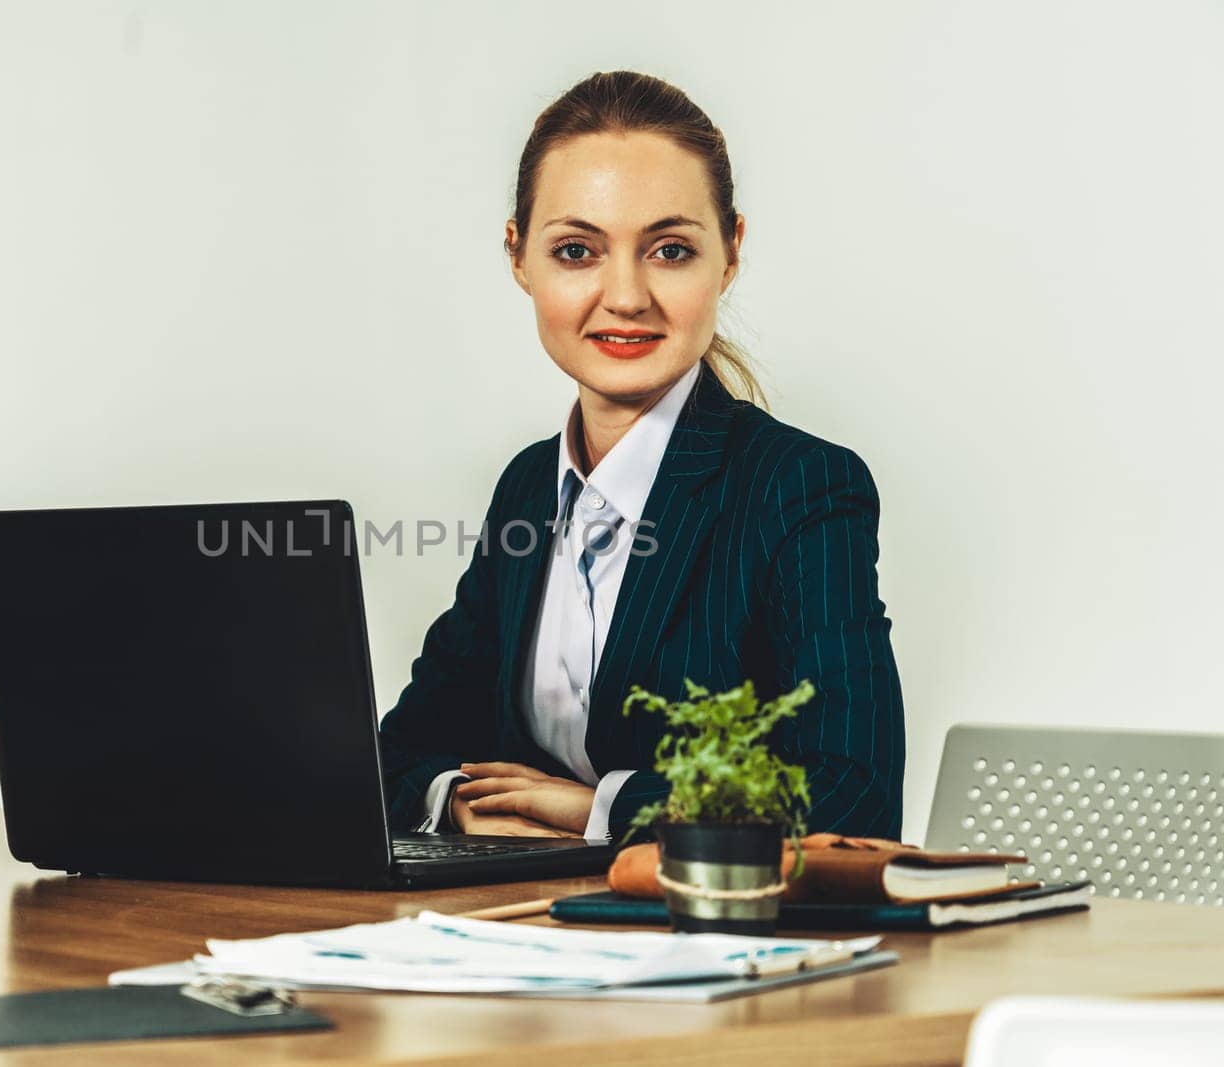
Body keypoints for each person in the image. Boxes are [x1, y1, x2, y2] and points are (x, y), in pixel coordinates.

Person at [377, 70, 907, 844]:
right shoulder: (528, 487)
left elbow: (851, 795)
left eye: (668, 249)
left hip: (712, 943)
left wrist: (601, 810)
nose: (625, 296)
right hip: (523, 930)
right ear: (519, 257)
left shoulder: (801, 488)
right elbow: (401, 749)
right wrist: (461, 801)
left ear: (729, 254)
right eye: (576, 249)